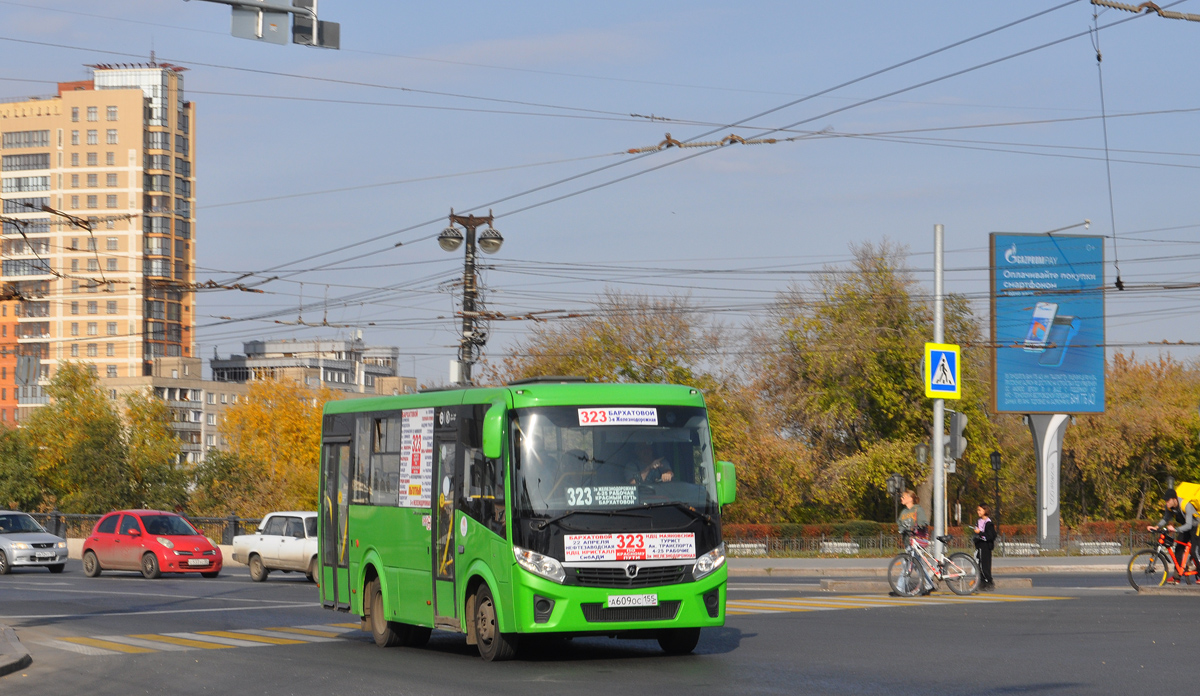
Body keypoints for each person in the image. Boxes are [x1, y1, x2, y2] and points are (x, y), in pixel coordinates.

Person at [1148, 489, 1199, 581]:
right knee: (1179, 549)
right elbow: (1166, 518)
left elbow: (1189, 525)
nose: (1166, 503)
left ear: (1174, 500)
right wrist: (1156, 527)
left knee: (1195, 551)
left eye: (1168, 500)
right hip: (1185, 527)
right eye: (1165, 501)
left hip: (1196, 526)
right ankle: (1176, 577)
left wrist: (1175, 529)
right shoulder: (1169, 507)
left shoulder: (1186, 505)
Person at [897, 490, 934, 595]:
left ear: (910, 498)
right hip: (908, 542)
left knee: (907, 565)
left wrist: (916, 527)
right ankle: (929, 585)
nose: (901, 499)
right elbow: (899, 523)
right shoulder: (903, 512)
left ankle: (900, 589)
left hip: (917, 541)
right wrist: (901, 529)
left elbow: (924, 522)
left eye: (903, 497)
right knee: (918, 566)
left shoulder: (918, 509)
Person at [973, 504, 997, 591]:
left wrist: (980, 533)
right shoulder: (978, 521)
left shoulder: (989, 523)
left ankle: (989, 582)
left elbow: (991, 536)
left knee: (985, 566)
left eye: (980, 510)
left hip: (986, 547)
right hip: (980, 545)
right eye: (978, 510)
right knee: (979, 565)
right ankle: (982, 582)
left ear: (985, 510)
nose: (978, 512)